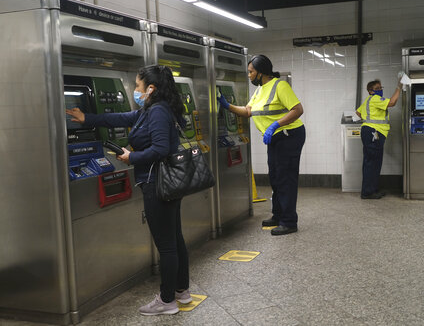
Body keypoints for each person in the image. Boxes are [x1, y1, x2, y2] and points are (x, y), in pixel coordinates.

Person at [66, 65, 192, 316]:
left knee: (166, 245)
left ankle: (167, 301)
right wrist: (87, 118)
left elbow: (160, 149)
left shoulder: (156, 112)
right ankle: (182, 291)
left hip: (157, 183)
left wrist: (131, 157)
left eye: (137, 86)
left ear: (151, 89)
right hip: (167, 182)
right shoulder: (152, 110)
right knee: (175, 239)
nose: (135, 90)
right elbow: (122, 118)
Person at [217, 54, 306, 235]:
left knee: (285, 178)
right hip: (274, 138)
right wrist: (227, 105)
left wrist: (275, 124)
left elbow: (298, 110)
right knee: (274, 177)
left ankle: (289, 222)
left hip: (289, 135)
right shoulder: (260, 89)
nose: (249, 75)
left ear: (261, 72)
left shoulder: (280, 85)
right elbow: (248, 111)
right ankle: (278, 215)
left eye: (251, 72)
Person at [355, 78, 403, 199]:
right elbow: (392, 102)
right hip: (373, 132)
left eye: (381, 88)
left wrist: (368, 120)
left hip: (369, 131)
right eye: (377, 88)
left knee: (372, 162)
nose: (380, 90)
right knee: (373, 162)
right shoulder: (375, 99)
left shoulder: (368, 100)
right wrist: (399, 87)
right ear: (370, 91)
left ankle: (371, 189)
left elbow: (358, 112)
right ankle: (368, 192)